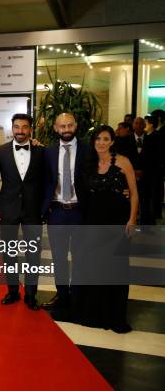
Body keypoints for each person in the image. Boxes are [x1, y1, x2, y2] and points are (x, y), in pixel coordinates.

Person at [73, 125, 138, 333]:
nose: (101, 142)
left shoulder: (123, 162)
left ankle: (114, 316)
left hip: (118, 223)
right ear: (93, 141)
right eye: (98, 138)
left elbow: (135, 194)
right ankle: (94, 314)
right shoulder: (88, 164)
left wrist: (132, 219)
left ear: (112, 141)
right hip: (93, 222)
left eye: (106, 138)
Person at [0, 113, 44, 310]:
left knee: (33, 253)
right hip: (8, 208)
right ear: (11, 128)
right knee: (9, 253)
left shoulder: (41, 151)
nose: (20, 131)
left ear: (30, 129)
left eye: (24, 127)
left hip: (33, 210)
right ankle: (12, 291)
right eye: (17, 127)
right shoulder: (1, 151)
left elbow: (47, 182)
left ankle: (31, 294)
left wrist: (44, 209)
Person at [41, 112, 88, 312]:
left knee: (80, 256)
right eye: (62, 126)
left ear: (75, 125)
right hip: (57, 211)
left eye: (70, 125)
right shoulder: (48, 152)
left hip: (80, 211)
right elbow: (44, 182)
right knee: (58, 257)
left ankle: (77, 297)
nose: (66, 129)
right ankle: (62, 295)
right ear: (55, 127)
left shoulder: (88, 150)